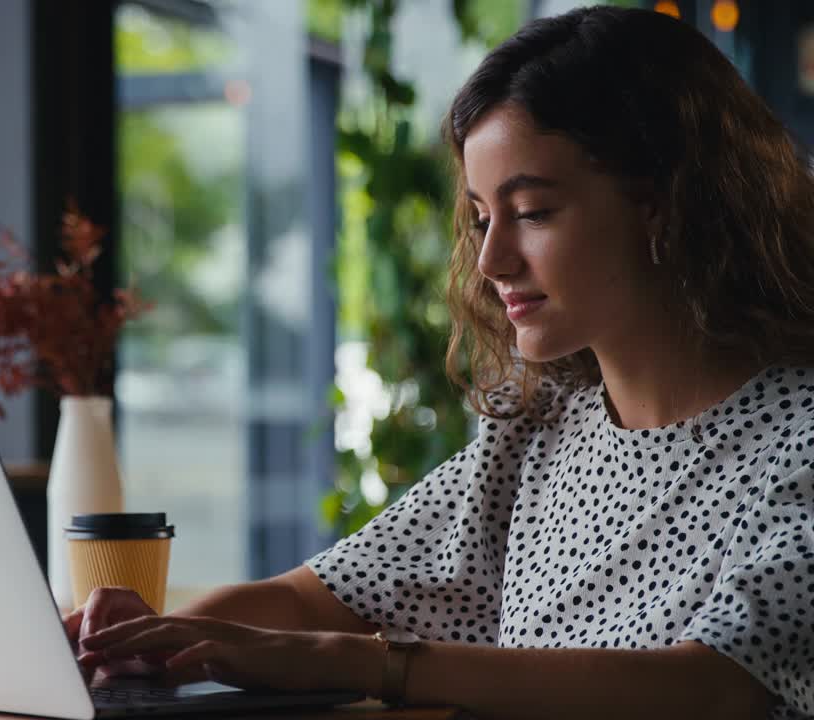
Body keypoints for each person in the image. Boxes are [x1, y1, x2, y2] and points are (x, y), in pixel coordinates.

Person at [69, 6, 814, 719]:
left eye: (532, 212)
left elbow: (713, 688)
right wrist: (148, 638)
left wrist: (357, 661)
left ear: (662, 204)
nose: (491, 259)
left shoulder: (799, 437)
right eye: (483, 217)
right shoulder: (539, 429)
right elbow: (315, 597)